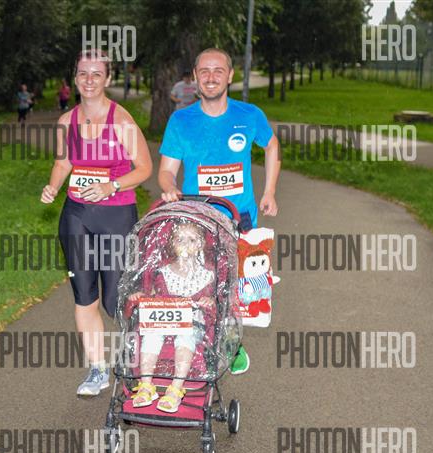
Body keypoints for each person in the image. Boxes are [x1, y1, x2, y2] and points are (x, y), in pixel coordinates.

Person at [158, 47, 281, 375]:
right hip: (196, 220)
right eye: (204, 71)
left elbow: (271, 145)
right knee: (198, 284)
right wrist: (169, 186)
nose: (211, 77)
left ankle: (232, 342)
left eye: (218, 70)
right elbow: (166, 170)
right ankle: (195, 345)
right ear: (195, 77)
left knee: (234, 285)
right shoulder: (181, 120)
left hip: (239, 218)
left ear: (230, 76)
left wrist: (269, 191)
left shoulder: (249, 115)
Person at [41, 49, 153, 396]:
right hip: (76, 216)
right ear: (74, 78)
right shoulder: (66, 122)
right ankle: (97, 370)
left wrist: (111, 185)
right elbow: (63, 162)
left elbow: (145, 168)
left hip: (115, 216)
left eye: (96, 74)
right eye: (83, 73)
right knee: (84, 295)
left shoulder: (121, 121)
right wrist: (53, 186)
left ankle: (141, 362)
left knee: (115, 299)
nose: (89, 80)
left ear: (107, 79)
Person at [128, 222, 215, 413]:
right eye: (180, 239)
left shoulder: (206, 275)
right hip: (164, 319)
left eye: (191, 240)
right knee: (151, 334)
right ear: (172, 243)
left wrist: (209, 300)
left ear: (201, 244)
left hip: (191, 322)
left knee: (186, 336)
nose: (185, 245)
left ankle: (176, 388)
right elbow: (153, 294)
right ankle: (146, 385)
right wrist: (142, 296)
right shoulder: (163, 272)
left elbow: (214, 301)